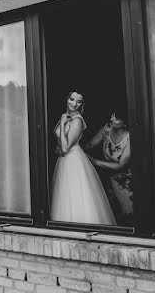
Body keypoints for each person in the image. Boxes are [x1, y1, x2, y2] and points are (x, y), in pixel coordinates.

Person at [49, 91, 116, 225]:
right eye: (72, 99)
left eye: (78, 101)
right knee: (64, 197)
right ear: (67, 99)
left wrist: (62, 124)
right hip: (63, 161)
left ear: (82, 104)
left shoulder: (78, 120)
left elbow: (66, 147)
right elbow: (60, 145)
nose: (74, 104)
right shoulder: (66, 116)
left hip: (74, 161)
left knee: (77, 193)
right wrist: (56, 148)